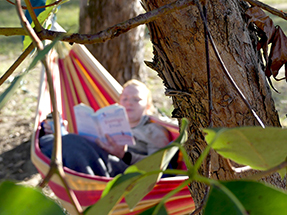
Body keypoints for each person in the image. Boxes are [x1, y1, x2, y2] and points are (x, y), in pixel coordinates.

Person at [39, 79, 170, 177]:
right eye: (125, 98)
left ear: (147, 106)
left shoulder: (154, 130)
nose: (129, 102)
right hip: (94, 161)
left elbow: (160, 169)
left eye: (136, 99)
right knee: (51, 141)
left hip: (123, 173)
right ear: (119, 103)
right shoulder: (105, 124)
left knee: (71, 144)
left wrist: (124, 155)